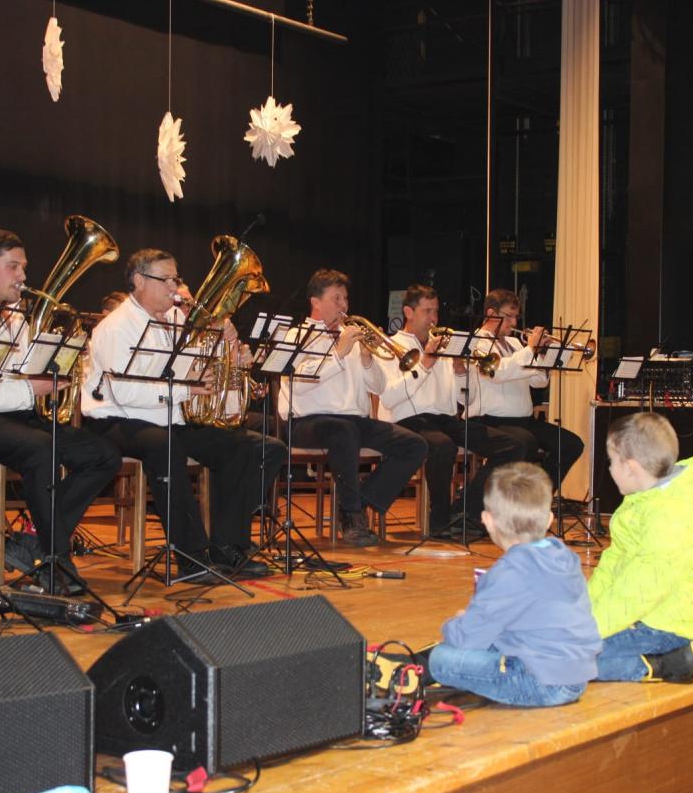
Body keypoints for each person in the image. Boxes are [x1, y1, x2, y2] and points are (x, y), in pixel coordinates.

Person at [0, 228, 121, 592]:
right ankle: (55, 563)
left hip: (12, 414)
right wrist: (30, 388)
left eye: (23, 267)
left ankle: (32, 541)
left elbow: (20, 374)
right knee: (41, 450)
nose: (23, 276)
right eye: (13, 267)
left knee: (102, 455)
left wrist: (56, 360)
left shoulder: (15, 318)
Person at [82, 247, 285, 579]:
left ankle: (227, 546)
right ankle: (191, 558)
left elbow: (198, 368)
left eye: (175, 279)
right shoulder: (116, 326)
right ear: (139, 281)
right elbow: (124, 391)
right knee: (166, 447)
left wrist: (229, 350)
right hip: (119, 418)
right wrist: (186, 390)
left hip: (169, 417)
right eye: (165, 280)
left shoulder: (178, 320)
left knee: (254, 448)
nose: (174, 287)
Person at [427, 462, 601, 705]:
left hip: (540, 683)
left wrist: (454, 624)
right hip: (577, 677)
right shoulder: (564, 557)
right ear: (549, 519)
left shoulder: (509, 572)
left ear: (488, 520)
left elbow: (466, 639)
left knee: (441, 658)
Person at [278, 269, 427, 546]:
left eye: (345, 298)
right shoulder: (297, 336)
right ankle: (351, 514)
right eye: (336, 298)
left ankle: (359, 501)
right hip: (305, 422)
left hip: (352, 422)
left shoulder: (352, 338)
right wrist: (339, 354)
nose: (344, 305)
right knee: (344, 431)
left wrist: (368, 358)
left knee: (414, 445)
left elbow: (379, 387)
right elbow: (298, 384)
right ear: (316, 302)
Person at [375, 284, 523, 538]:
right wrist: (425, 363)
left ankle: (464, 509)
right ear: (409, 312)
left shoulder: (443, 344)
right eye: (427, 311)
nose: (433, 318)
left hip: (443, 419)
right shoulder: (390, 346)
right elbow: (389, 398)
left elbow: (466, 399)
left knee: (512, 445)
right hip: (405, 420)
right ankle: (439, 519)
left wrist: (460, 371)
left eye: (436, 311)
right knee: (443, 446)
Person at [590, 412, 693, 683]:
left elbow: (641, 589)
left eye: (612, 461)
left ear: (630, 467)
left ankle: (665, 662)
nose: (610, 469)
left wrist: (588, 630)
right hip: (640, 618)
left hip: (664, 628)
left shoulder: (671, 517)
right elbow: (611, 569)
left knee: (561, 662)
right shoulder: (642, 502)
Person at [463, 289, 584, 498]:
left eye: (515, 317)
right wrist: (530, 350)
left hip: (522, 421)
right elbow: (498, 373)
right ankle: (476, 501)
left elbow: (538, 382)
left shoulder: (514, 343)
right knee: (525, 443)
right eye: (509, 316)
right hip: (489, 419)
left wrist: (547, 356)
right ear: (491, 313)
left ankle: (537, 497)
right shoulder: (477, 342)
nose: (514, 322)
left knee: (571, 444)